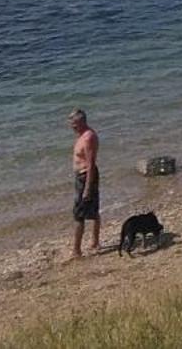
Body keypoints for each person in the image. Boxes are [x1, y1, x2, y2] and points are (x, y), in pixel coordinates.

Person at [68, 107, 101, 257]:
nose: (72, 127)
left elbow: (91, 164)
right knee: (92, 210)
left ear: (82, 122)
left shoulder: (88, 138)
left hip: (86, 177)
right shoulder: (82, 135)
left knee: (79, 215)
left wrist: (87, 187)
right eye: (71, 123)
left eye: (74, 124)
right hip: (82, 177)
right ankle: (95, 242)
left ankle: (76, 250)